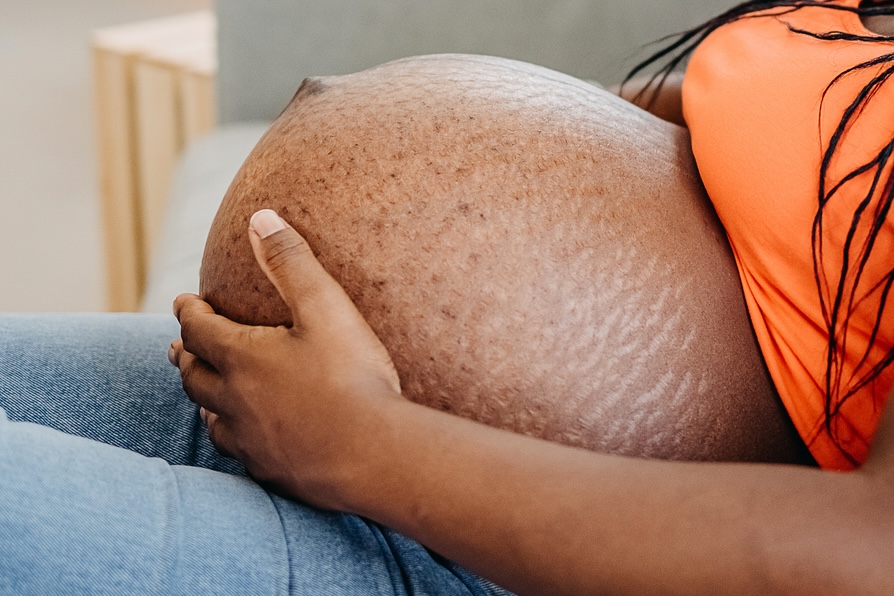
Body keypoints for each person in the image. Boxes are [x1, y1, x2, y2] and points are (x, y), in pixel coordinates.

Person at [1, 1, 892, 594]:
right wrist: (468, 133)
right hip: (298, 408)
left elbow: (871, 551)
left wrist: (362, 446)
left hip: (479, 543)